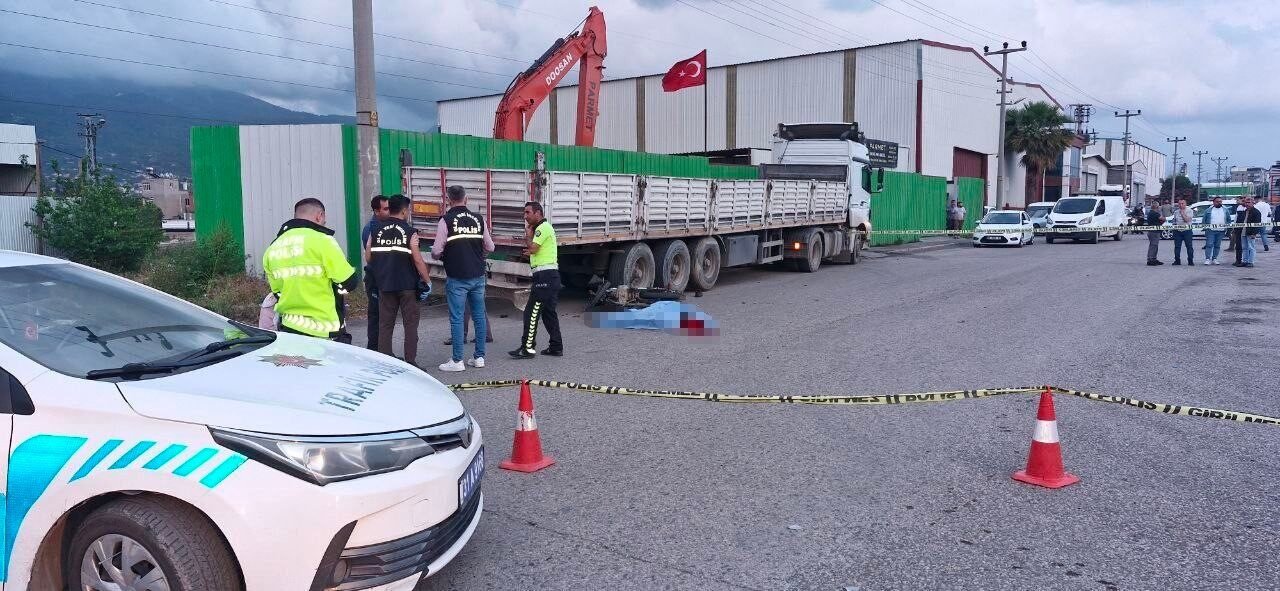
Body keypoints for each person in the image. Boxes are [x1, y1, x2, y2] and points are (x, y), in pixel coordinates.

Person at [263, 198, 358, 340]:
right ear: (320, 216)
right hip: (325, 332)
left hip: (290, 328)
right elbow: (349, 282)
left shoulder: (273, 248)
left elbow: (277, 292)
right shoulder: (323, 240)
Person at [429, 185, 494, 372]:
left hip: (457, 276)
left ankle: (457, 360)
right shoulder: (479, 219)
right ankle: (479, 357)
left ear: (448, 200)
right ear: (466, 199)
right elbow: (490, 247)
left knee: (457, 318)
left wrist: (438, 255)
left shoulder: (445, 220)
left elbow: (436, 250)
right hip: (478, 275)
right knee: (479, 316)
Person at [367, 195, 431, 365]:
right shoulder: (410, 232)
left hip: (385, 284)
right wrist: (427, 281)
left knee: (385, 325)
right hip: (407, 286)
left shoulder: (375, 230)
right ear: (404, 211)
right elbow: (417, 260)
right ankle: (410, 362)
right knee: (410, 325)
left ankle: (386, 362)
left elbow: (368, 257)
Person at [510, 201, 562, 359]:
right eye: (524, 213)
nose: (525, 216)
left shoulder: (542, 228)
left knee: (531, 312)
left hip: (544, 277)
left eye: (528, 212)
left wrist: (528, 235)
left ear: (538, 213)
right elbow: (536, 251)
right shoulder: (544, 228)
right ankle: (556, 347)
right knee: (548, 313)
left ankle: (527, 349)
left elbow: (533, 249)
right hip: (550, 276)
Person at [360, 195, 390, 350]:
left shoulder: (387, 226)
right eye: (386, 209)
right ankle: (373, 350)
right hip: (375, 278)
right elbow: (374, 257)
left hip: (385, 278)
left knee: (385, 317)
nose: (389, 211)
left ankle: (384, 350)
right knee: (376, 316)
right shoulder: (370, 229)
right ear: (376, 211)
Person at [1234, 196, 1261, 268]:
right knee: (1244, 247)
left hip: (1251, 233)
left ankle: (1251, 262)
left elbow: (1257, 224)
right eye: (1246, 202)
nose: (1247, 204)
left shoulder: (1256, 212)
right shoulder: (1245, 211)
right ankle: (1245, 261)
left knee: (1251, 247)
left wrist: (1254, 233)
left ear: (1253, 203)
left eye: (1249, 202)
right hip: (1243, 231)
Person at [1201, 196, 1229, 265]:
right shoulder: (1208, 210)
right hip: (1210, 230)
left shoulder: (1225, 210)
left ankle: (1214, 258)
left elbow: (1228, 219)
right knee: (1209, 244)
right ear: (1213, 202)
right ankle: (1207, 259)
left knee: (1217, 245)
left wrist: (1227, 227)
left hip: (1221, 231)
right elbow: (1204, 220)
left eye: (1220, 201)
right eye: (1217, 202)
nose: (1219, 203)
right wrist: (1205, 228)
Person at [1170, 198, 1195, 266]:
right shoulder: (1176, 212)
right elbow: (1174, 221)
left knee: (1189, 246)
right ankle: (1177, 260)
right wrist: (1174, 226)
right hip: (1177, 231)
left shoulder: (1189, 211)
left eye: (1182, 203)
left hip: (1187, 231)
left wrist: (1182, 213)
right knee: (1177, 247)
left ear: (1185, 204)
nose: (1181, 205)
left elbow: (1187, 220)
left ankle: (1190, 260)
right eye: (1179, 204)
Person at [1144, 200, 1165, 266]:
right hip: (1154, 232)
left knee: (1154, 245)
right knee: (1153, 246)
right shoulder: (1155, 213)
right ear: (1157, 207)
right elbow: (1163, 219)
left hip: (1152, 231)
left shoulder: (1150, 212)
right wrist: (1161, 215)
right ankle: (1150, 260)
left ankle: (1153, 259)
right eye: (1158, 207)